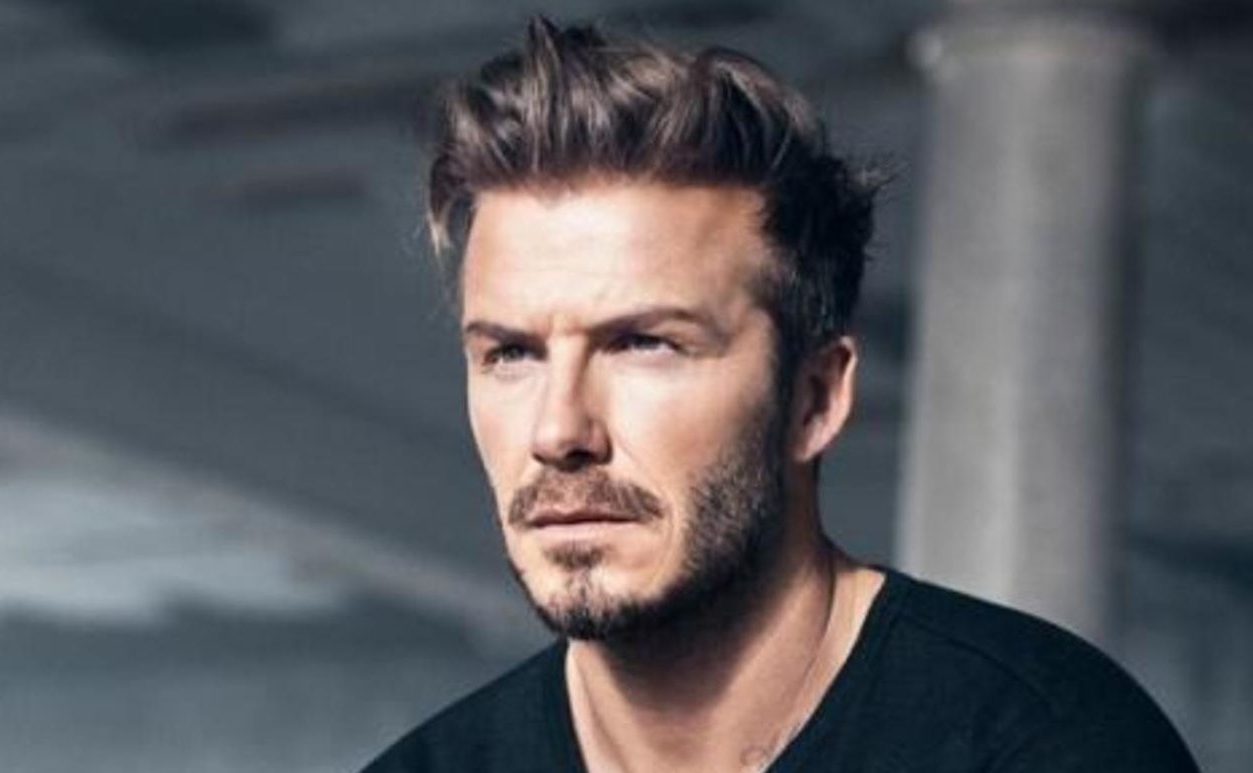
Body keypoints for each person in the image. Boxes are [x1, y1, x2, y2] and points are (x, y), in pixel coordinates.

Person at [360, 16, 1200, 773]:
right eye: (510, 353)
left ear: (814, 397)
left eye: (645, 343)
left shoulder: (1048, 743)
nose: (558, 429)